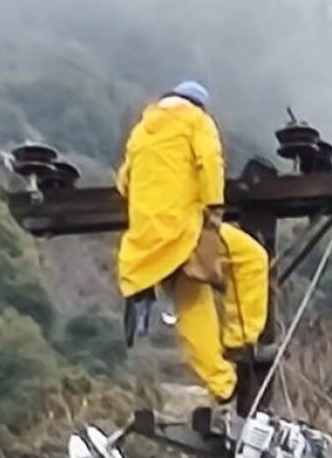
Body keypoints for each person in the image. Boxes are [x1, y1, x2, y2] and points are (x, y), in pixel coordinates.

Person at [115, 80, 269, 404]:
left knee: (191, 303)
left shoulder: (142, 132)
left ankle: (222, 383)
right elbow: (210, 162)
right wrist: (214, 209)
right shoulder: (196, 121)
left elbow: (124, 184)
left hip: (147, 241)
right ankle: (240, 340)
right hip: (185, 229)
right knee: (252, 260)